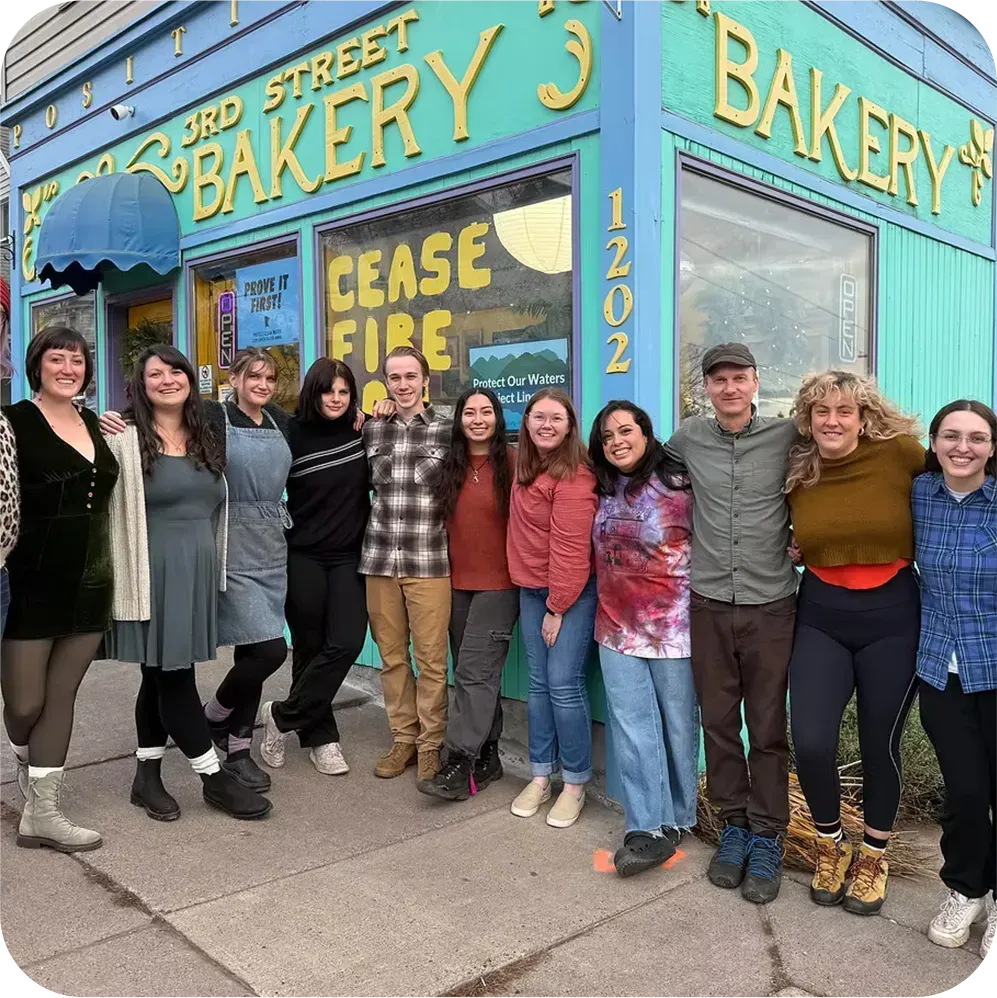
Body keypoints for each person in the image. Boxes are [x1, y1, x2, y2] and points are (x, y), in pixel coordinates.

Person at [102, 347, 293, 792]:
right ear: (140, 385)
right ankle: (213, 773)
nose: (167, 380)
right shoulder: (124, 436)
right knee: (172, 678)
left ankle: (146, 777)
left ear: (190, 379)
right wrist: (96, 421)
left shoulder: (202, 433)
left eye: (176, 372)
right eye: (156, 374)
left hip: (203, 567)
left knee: (157, 677)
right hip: (154, 573)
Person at [786, 371, 924, 916]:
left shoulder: (902, 455)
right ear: (808, 418)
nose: (833, 421)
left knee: (878, 745)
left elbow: (964, 475)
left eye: (844, 411)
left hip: (893, 617)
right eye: (822, 412)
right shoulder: (797, 466)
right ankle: (829, 845)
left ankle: (873, 855)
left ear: (863, 416)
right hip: (820, 614)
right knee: (813, 741)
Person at [666, 342, 797, 904]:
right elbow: (638, 465)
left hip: (772, 604)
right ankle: (734, 828)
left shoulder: (790, 435)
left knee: (767, 727)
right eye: (719, 379)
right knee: (718, 722)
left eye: (738, 378)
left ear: (755, 382)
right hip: (710, 602)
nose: (729, 388)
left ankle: (769, 836)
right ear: (708, 387)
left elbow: (836, 463)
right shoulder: (688, 438)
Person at [1, 326, 117, 852]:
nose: (68, 368)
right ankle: (27, 760)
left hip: (92, 580)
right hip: (30, 582)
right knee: (25, 704)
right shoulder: (12, 422)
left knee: (62, 695)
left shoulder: (95, 421)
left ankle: (43, 811)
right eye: (57, 359)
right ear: (37, 366)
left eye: (77, 360)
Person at [589, 401, 698, 876]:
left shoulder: (683, 483)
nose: (617, 441)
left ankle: (677, 818)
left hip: (677, 628)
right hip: (615, 628)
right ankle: (644, 827)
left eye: (626, 430)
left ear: (647, 433)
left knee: (677, 726)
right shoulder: (601, 486)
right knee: (633, 729)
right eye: (608, 436)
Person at [913, 401, 997, 961]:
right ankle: (967, 888)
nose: (962, 447)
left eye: (976, 438)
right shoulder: (918, 495)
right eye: (951, 436)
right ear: (935, 441)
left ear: (993, 447)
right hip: (940, 667)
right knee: (965, 793)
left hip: (994, 665)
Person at [258, 358, 370, 776]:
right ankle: (323, 739)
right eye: (329, 391)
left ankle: (282, 716)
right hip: (301, 553)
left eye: (344, 392)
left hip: (348, 556)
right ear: (314, 392)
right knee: (308, 646)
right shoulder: (289, 432)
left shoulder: (363, 429)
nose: (337, 399)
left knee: (345, 642)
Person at [417, 387, 518, 802]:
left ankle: (459, 761)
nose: (478, 419)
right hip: (456, 584)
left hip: (501, 585)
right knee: (472, 672)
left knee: (474, 673)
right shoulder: (451, 464)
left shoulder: (515, 462)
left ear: (498, 418)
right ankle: (489, 755)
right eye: (470, 412)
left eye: (487, 412)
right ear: (459, 420)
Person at [360, 346, 452, 783]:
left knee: (431, 661)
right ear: (386, 382)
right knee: (393, 658)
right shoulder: (371, 429)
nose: (403, 384)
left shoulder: (447, 429)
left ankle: (432, 745)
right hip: (379, 559)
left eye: (410, 376)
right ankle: (404, 740)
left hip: (429, 560)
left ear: (425, 380)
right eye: (394, 377)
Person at [507, 388, 598, 829]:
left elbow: (572, 547)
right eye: (538, 416)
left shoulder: (576, 475)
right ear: (526, 422)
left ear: (569, 426)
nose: (546, 424)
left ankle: (575, 784)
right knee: (540, 685)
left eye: (556, 418)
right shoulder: (525, 468)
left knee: (563, 683)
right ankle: (541, 776)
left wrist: (558, 605)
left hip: (569, 595)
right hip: (530, 591)